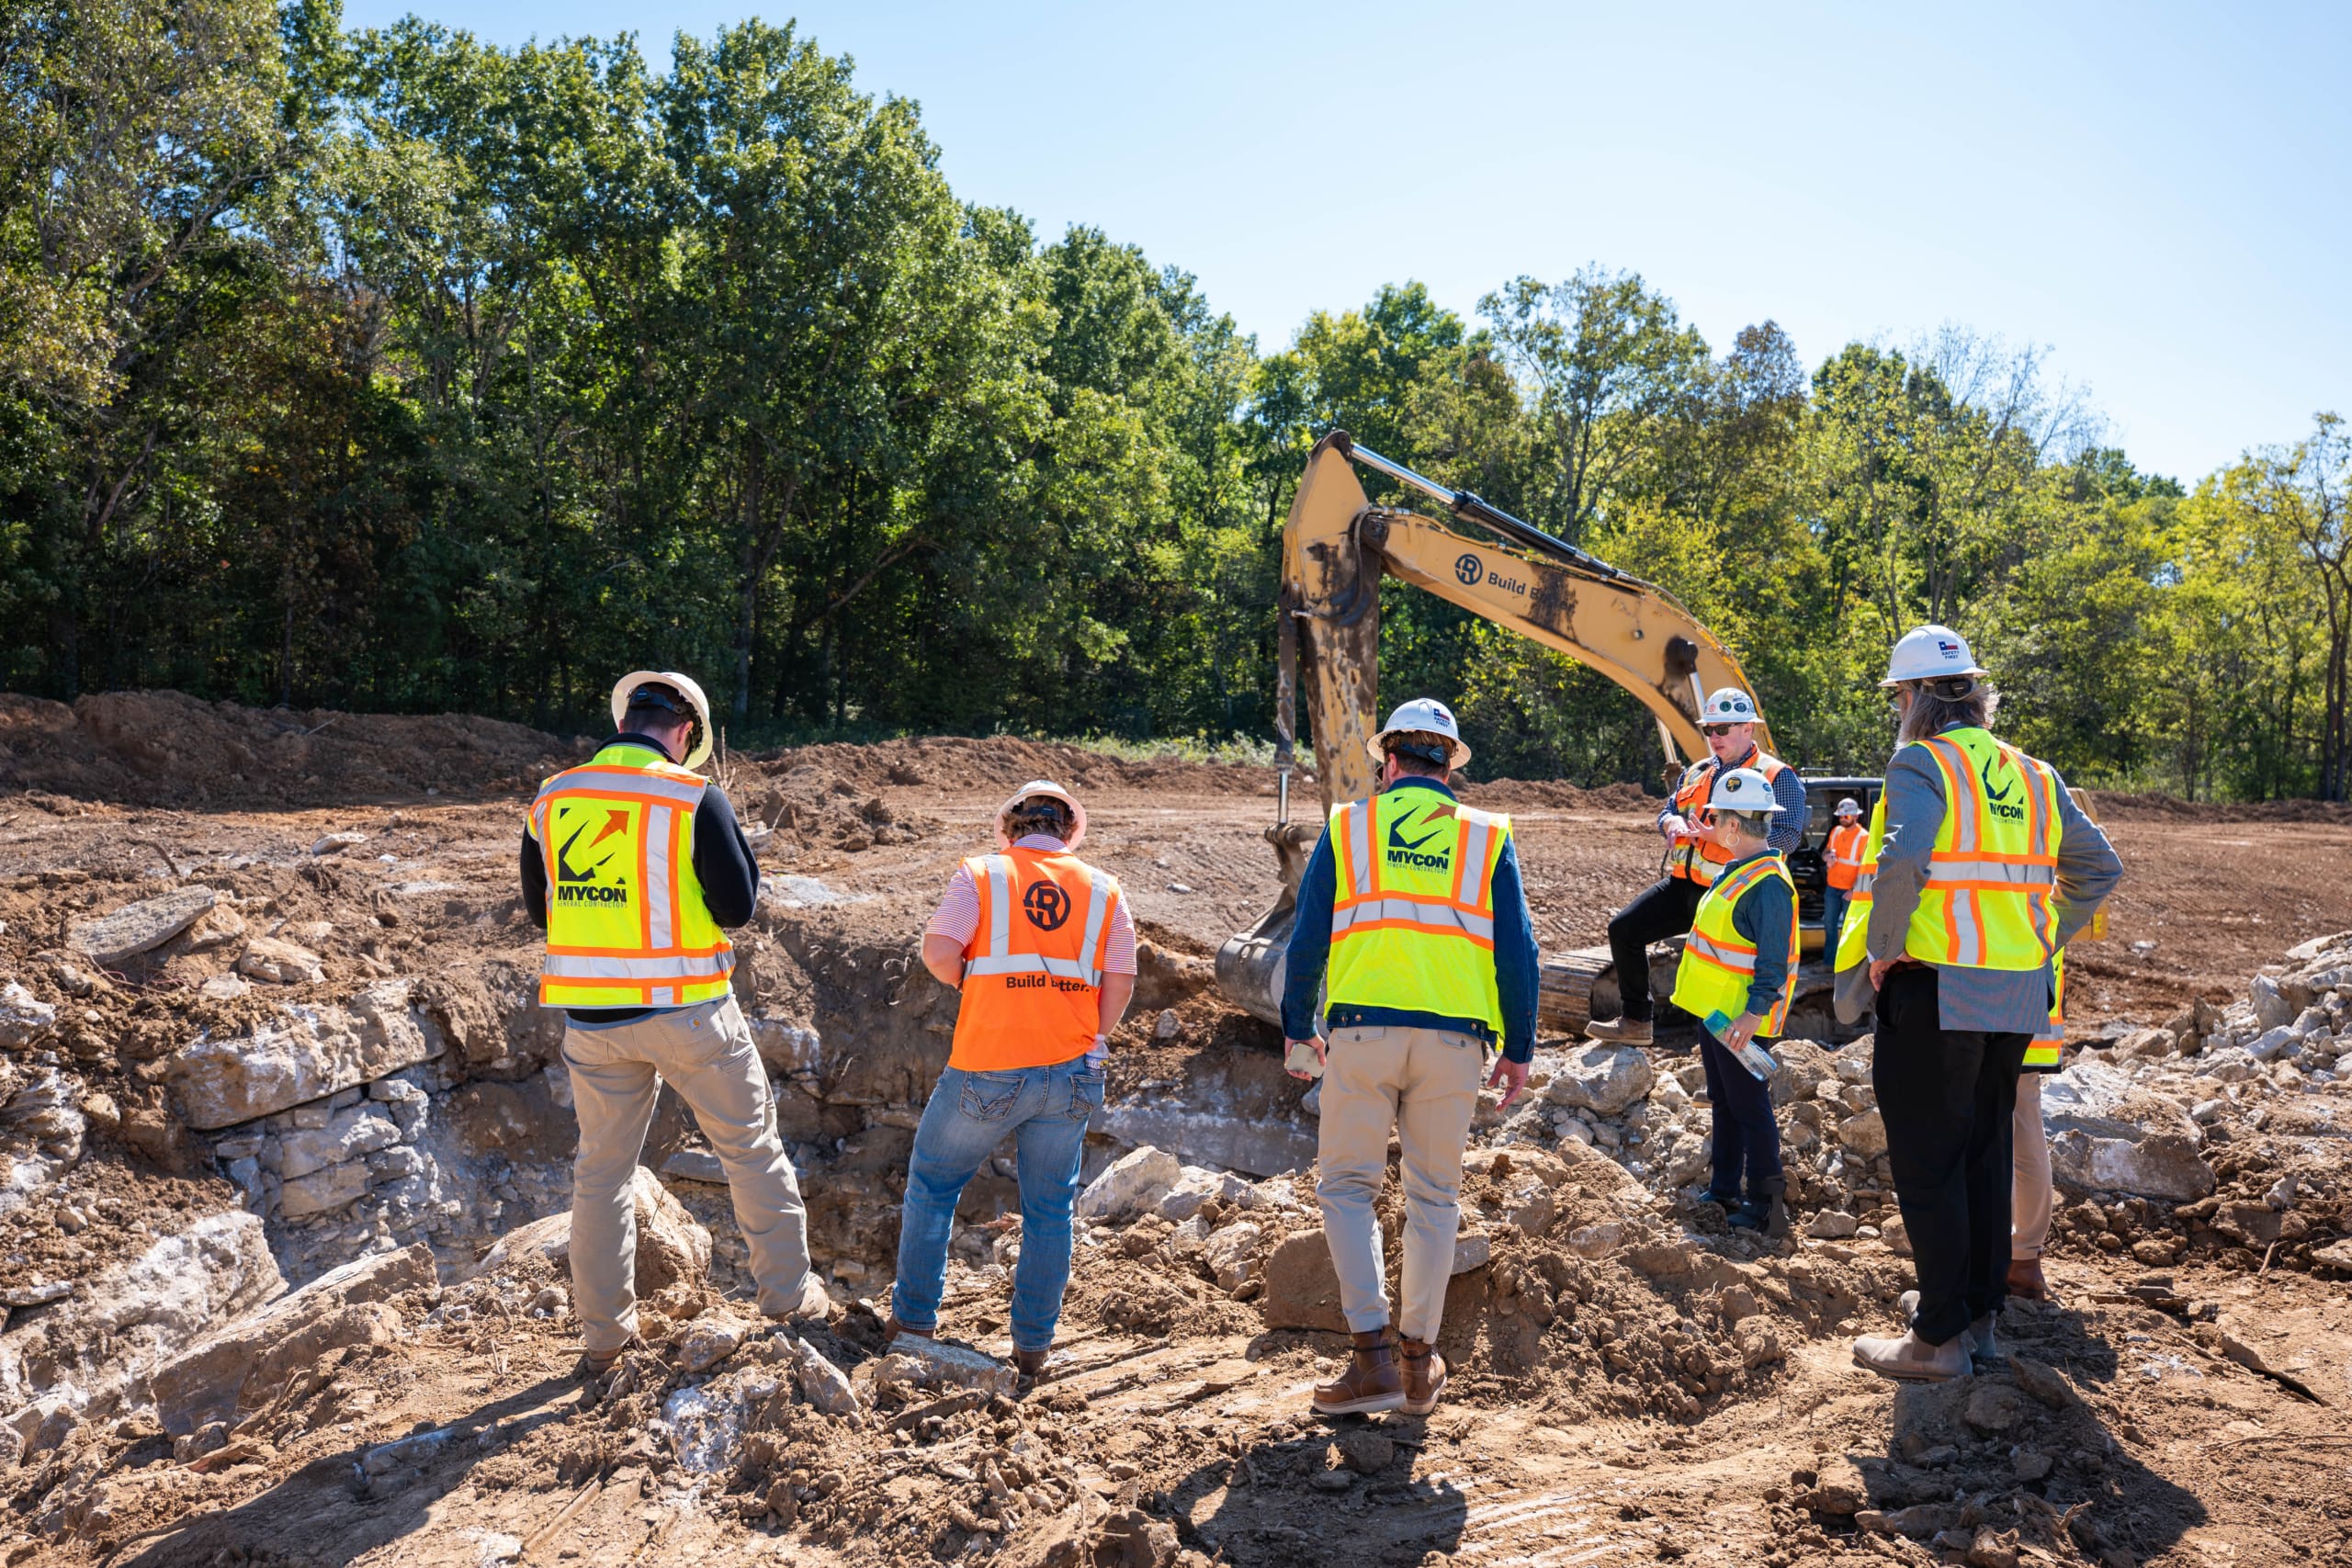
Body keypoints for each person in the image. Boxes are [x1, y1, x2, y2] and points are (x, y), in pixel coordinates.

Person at [525, 671, 829, 1372]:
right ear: (687, 732)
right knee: (750, 1150)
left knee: (601, 1175)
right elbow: (736, 905)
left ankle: (604, 1340)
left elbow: (545, 910)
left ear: (625, 719)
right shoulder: (691, 795)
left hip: (594, 1020)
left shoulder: (553, 798)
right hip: (690, 1011)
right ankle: (789, 1302)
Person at [1838, 627, 2120, 1382]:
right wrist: (2037, 935)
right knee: (1985, 1152)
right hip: (2016, 990)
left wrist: (1882, 947)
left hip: (1938, 986)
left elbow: (1902, 858)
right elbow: (2099, 867)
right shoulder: (2033, 772)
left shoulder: (1919, 761)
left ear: (1915, 699)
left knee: (1930, 1162)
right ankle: (1975, 1316)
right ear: (1975, 692)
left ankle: (1936, 1340)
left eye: (1899, 696)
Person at [1280, 699, 1540, 1418]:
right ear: (1449, 764)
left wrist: (1298, 1024)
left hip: (1361, 1034)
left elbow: (1307, 941)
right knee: (1434, 1197)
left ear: (1388, 761)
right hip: (1456, 1043)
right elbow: (1519, 950)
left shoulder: (1350, 825)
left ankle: (1371, 1360)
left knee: (1347, 1188)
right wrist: (1519, 1044)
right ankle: (1418, 1366)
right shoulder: (1487, 834)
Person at [891, 781, 1136, 1379]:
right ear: (1069, 832)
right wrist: (1093, 1034)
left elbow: (938, 949)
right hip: (1072, 1071)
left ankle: (915, 1324)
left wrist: (971, 976)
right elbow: (1122, 975)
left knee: (932, 1182)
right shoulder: (1104, 890)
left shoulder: (982, 874)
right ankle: (1032, 1348)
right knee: (1050, 1209)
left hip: (989, 1063)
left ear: (1011, 829)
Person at [1586, 688, 1804, 1044]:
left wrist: (1725, 839)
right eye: (1709, 730)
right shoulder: (1697, 772)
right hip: (1684, 885)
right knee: (1624, 929)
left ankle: (1733, 1067)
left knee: (1724, 978)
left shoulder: (1777, 775)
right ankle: (1637, 1021)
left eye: (1723, 729)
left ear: (1749, 728)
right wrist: (1669, 823)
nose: (1714, 737)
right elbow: (1668, 810)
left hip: (1734, 894)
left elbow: (1789, 836)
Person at [1665, 767, 1799, 1236]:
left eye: (1719, 818)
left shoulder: (1768, 883)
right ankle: (1725, 1187)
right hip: (1716, 1014)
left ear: (1734, 827)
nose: (1714, 825)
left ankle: (1766, 1202)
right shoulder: (1738, 869)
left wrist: (1753, 1014)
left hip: (1739, 1019)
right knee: (1725, 1101)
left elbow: (1772, 961)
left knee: (1749, 1106)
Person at [2009, 951, 2066, 1301]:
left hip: (1992, 1009)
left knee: (1986, 1136)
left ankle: (1994, 1258)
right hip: (2033, 1012)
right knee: (2026, 1130)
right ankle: (2024, 1260)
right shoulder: (2045, 894)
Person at [1822, 796, 1868, 959]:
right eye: (1840, 816)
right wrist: (1827, 857)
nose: (1843, 819)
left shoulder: (1864, 837)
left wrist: (1853, 890)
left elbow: (1865, 869)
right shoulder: (1835, 831)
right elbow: (1826, 852)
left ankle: (1847, 961)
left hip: (1850, 891)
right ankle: (1829, 963)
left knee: (1850, 928)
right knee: (1829, 926)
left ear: (1856, 816)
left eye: (1846, 816)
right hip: (1832, 887)